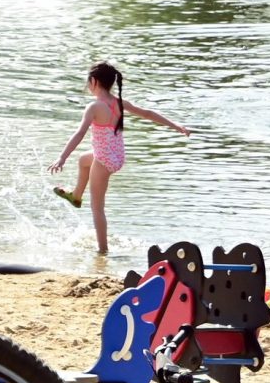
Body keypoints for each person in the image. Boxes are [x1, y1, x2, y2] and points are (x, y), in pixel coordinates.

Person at [50, 61, 190, 256]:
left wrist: (62, 157)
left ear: (94, 81)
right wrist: (176, 126)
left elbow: (80, 133)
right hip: (116, 157)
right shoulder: (119, 103)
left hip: (103, 160)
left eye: (88, 82)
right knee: (83, 159)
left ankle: (102, 251)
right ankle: (76, 196)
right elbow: (148, 114)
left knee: (97, 208)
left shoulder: (94, 107)